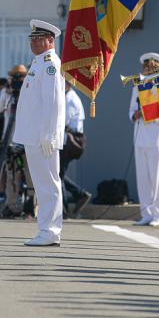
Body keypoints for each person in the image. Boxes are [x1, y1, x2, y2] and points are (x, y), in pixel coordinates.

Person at [15, 19, 65, 246]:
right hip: (34, 134)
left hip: (43, 137)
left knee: (48, 183)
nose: (34, 42)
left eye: (38, 39)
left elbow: (53, 102)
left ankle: (51, 230)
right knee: (41, 183)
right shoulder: (38, 63)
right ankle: (45, 229)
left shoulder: (50, 64)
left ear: (50, 41)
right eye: (32, 39)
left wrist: (50, 134)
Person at [129, 52, 159, 227]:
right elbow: (130, 110)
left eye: (151, 68)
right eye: (146, 68)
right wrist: (135, 114)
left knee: (157, 177)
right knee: (143, 177)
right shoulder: (137, 86)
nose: (148, 71)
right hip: (140, 136)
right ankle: (146, 213)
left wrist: (149, 114)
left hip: (156, 135)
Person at [60, 82, 91, 218]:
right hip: (65, 139)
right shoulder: (67, 96)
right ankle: (80, 194)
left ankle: (63, 210)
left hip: (69, 141)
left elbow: (64, 121)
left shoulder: (71, 98)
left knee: (58, 175)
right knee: (58, 174)